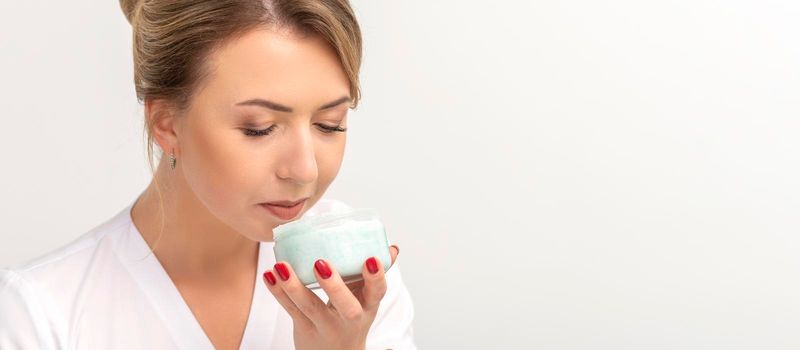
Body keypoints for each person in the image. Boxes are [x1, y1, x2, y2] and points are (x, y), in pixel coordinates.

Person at [0, 1, 418, 349]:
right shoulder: (42, 314)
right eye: (259, 127)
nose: (305, 170)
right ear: (166, 124)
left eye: (330, 123)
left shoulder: (355, 285)